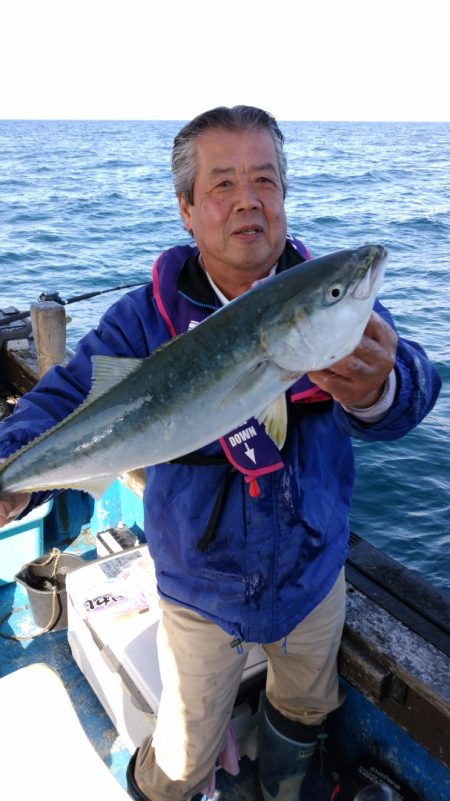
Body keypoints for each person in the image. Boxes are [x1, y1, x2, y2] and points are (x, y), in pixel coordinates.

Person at [0, 106, 441, 801]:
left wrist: (381, 388)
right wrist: (13, 470)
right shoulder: (144, 318)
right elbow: (65, 397)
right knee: (184, 749)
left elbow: (413, 382)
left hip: (312, 574)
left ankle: (282, 785)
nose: (248, 201)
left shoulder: (321, 298)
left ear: (285, 198)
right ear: (187, 208)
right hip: (198, 587)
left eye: (266, 180)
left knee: (306, 706)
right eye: (223, 184)